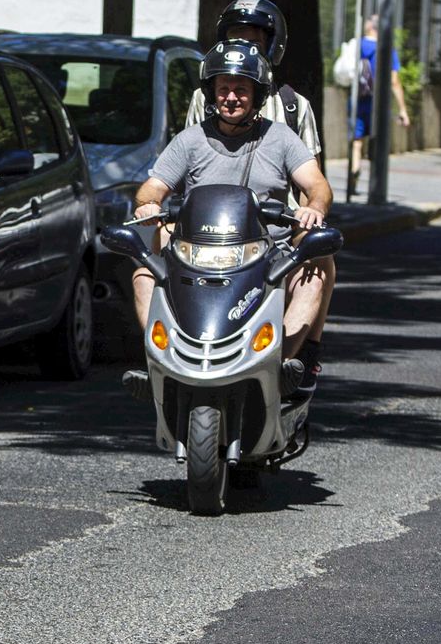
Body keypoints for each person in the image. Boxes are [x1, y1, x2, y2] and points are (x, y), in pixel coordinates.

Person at [124, 39, 333, 402]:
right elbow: (150, 189)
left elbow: (317, 185)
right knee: (143, 269)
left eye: (241, 89)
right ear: (211, 93)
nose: (231, 97)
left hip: (268, 251)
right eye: (223, 89)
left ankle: (283, 363)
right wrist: (148, 205)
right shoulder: (190, 140)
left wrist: (312, 207)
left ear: (257, 94)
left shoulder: (281, 137)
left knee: (317, 268)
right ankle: (159, 359)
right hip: (196, 250)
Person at [179, 0, 333, 397]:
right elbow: (187, 156)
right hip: (212, 220)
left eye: (254, 40)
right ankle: (170, 349)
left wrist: (312, 211)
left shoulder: (294, 107)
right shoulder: (204, 98)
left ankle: (300, 356)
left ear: (273, 45)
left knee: (322, 258)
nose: (243, 48)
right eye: (235, 38)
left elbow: (311, 181)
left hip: (277, 220)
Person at [346, 14, 410, 196]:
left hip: (357, 99)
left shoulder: (356, 45)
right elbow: (394, 82)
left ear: (369, 27)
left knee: (356, 143)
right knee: (376, 142)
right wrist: (403, 109)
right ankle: (376, 187)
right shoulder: (388, 50)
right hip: (377, 103)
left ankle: (353, 174)